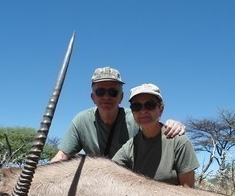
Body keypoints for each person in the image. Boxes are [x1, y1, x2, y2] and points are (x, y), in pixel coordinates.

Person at [51, 67, 184, 162]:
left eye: (113, 92)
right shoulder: (81, 120)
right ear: (93, 97)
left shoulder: (136, 119)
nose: (107, 97)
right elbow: (62, 156)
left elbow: (157, 130)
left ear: (121, 97)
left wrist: (172, 124)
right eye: (101, 92)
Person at [112, 83, 199, 187]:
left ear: (161, 109)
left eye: (150, 105)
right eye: (137, 106)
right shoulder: (130, 147)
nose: (143, 111)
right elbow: (110, 170)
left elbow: (188, 191)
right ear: (132, 111)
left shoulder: (179, 142)